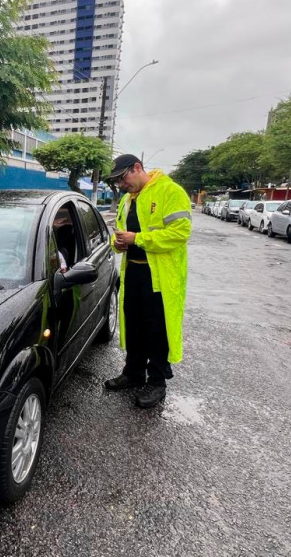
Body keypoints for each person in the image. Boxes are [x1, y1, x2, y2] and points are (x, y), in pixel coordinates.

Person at [103, 154, 191, 408]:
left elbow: (180, 233)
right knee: (134, 325)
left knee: (157, 329)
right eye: (117, 181)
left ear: (138, 168)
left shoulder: (170, 191)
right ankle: (133, 373)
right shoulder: (127, 200)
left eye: (123, 178)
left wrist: (137, 239)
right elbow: (119, 234)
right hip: (134, 272)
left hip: (161, 276)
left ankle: (157, 382)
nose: (121, 184)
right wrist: (118, 243)